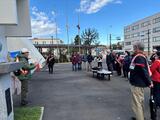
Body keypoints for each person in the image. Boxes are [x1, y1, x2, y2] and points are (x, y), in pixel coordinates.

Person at [129, 42, 153, 120]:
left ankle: (140, 118)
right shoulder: (141, 57)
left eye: (134, 47)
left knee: (137, 103)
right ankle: (141, 117)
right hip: (139, 83)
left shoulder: (139, 57)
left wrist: (149, 82)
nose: (133, 49)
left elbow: (143, 71)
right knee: (140, 102)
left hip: (137, 84)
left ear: (137, 48)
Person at [150, 51, 160, 119]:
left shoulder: (157, 62)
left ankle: (154, 114)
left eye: (155, 55)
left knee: (155, 95)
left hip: (156, 80)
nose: (155, 56)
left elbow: (151, 70)